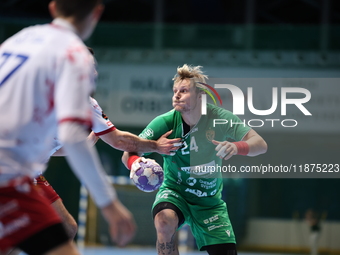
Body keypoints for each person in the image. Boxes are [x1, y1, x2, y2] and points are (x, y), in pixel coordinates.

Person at [0, 0, 134, 254]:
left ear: (52, 8)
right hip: (8, 179)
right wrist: (108, 202)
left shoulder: (19, 39)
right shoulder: (74, 54)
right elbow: (72, 136)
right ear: (96, 13)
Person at [122, 64, 268, 255]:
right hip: (175, 192)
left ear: (201, 96)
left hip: (209, 201)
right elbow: (128, 152)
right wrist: (136, 165)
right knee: (164, 221)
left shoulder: (219, 118)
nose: (176, 95)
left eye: (183, 91)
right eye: (175, 91)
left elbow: (260, 144)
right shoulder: (165, 122)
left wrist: (236, 146)